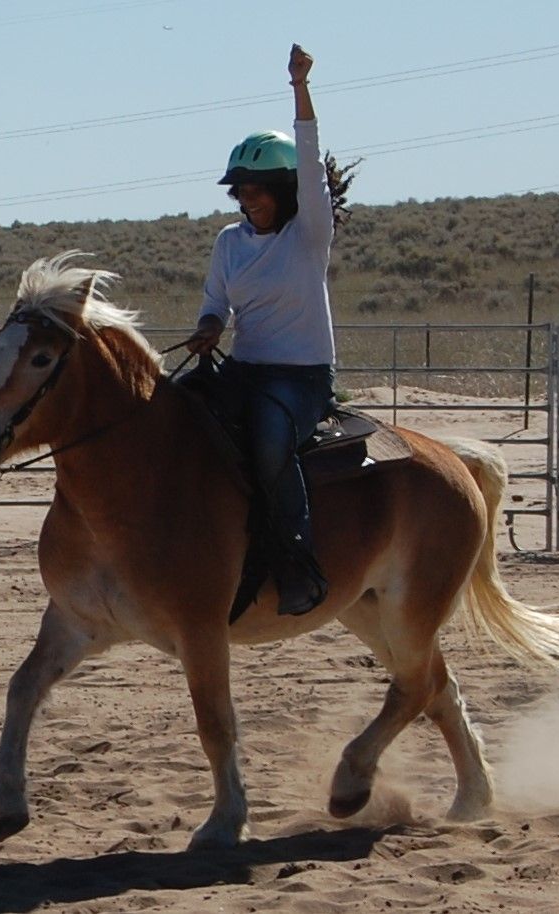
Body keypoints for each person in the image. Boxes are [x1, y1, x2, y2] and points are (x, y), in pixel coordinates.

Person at [187, 43, 337, 616]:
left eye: (257, 191)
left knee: (272, 441)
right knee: (174, 416)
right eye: (241, 192)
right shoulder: (229, 242)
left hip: (300, 378)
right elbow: (215, 305)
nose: (248, 201)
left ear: (283, 192)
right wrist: (207, 327)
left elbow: (309, 155)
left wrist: (299, 87)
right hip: (245, 370)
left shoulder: (308, 236)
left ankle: (296, 561)